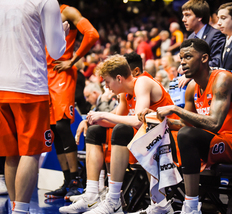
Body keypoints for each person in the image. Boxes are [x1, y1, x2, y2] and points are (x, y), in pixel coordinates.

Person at [139, 39, 232, 214]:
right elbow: (185, 124)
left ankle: (192, 208)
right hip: (214, 141)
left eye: (188, 57)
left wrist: (174, 109)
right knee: (156, 134)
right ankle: (160, 202)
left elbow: (215, 124)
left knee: (187, 135)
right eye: (181, 58)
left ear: (204, 58)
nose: (182, 62)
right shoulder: (192, 87)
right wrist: (157, 119)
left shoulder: (222, 79)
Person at [74, 54, 179, 214]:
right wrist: (92, 120)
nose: (106, 87)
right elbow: (115, 120)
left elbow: (139, 121)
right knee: (96, 131)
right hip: (148, 140)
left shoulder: (142, 82)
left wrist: (104, 114)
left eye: (107, 82)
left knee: (122, 131)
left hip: (171, 139)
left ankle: (119, 199)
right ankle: (94, 194)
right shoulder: (125, 94)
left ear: (119, 78)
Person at [0, 0, 67, 213]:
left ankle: (15, 208)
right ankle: (21, 210)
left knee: (12, 153)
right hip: (29, 86)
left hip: (1, 86)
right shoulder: (46, 1)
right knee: (30, 153)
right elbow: (56, 51)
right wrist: (63, 32)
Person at [45, 4, 99, 201]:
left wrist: (73, 60)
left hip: (61, 73)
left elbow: (92, 34)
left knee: (61, 126)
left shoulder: (66, 11)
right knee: (52, 129)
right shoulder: (38, 13)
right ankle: (67, 180)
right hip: (42, 77)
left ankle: (76, 180)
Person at [182, 0, 225, 68]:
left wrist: (192, 69)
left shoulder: (216, 35)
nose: (183, 19)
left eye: (187, 15)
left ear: (199, 17)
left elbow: (217, 62)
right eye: (183, 15)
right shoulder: (191, 37)